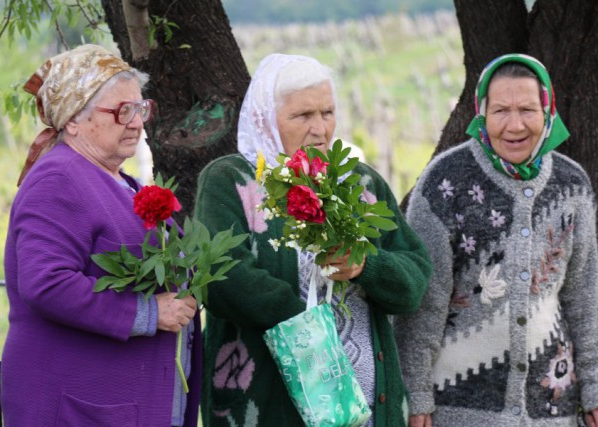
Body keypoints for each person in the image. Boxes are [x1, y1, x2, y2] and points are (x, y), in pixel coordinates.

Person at [194, 53, 432, 426]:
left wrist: (366, 265)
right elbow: (221, 276)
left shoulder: (361, 183)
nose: (319, 128)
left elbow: (414, 277)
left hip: (366, 402)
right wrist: (307, 333)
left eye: (327, 113)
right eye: (302, 116)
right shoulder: (232, 181)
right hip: (267, 404)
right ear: (266, 118)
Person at [2, 44, 201, 426]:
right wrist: (146, 312)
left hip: (120, 403)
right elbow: (47, 283)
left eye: (140, 108)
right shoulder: (59, 179)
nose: (137, 122)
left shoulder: (117, 180)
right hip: (79, 407)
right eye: (121, 111)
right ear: (74, 120)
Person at [395, 53, 598, 427]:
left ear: (547, 111)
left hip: (552, 411)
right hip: (460, 411)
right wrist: (416, 393)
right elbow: (424, 301)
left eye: (527, 109)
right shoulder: (445, 181)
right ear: (481, 114)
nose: (515, 124)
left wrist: (594, 387)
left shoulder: (573, 185)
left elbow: (583, 298)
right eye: (501, 110)